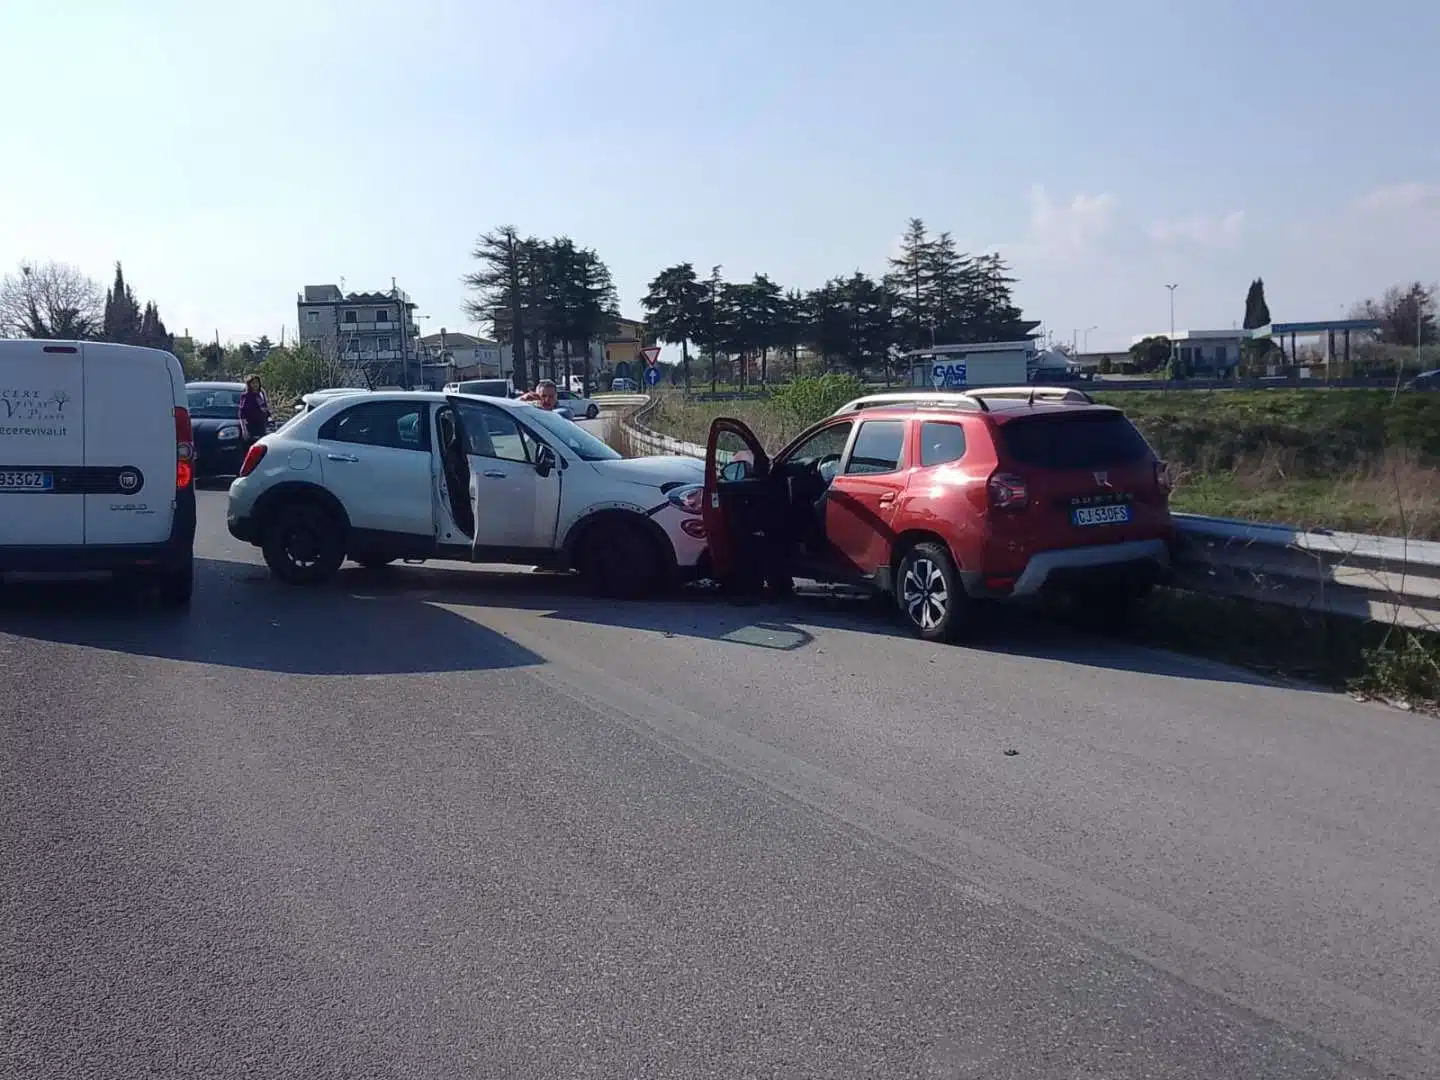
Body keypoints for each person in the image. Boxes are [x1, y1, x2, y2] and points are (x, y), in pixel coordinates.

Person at [238, 374, 271, 443]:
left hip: (262, 426)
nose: (255, 385)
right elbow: (241, 413)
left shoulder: (261, 394)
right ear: (249, 384)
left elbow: (265, 407)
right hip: (251, 426)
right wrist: (244, 430)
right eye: (253, 383)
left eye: (257, 382)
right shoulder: (246, 396)